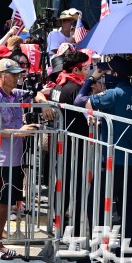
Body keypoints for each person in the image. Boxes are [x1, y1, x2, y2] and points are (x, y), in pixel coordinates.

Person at [0, 58, 53, 260]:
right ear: (1, 76)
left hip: (14, 159)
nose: (17, 77)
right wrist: (19, 132)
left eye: (18, 73)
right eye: (13, 74)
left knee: (6, 203)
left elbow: (36, 93)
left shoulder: (14, 94)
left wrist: (44, 102)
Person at [86, 56, 132, 254]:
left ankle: (100, 251)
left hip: (112, 160)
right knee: (126, 205)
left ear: (116, 74)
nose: (104, 76)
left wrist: (91, 80)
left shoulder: (114, 94)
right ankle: (127, 249)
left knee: (96, 204)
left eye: (106, 73)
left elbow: (83, 102)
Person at [48, 50, 90, 237]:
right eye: (86, 69)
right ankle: (74, 231)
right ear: (77, 69)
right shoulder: (74, 89)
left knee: (61, 186)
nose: (88, 72)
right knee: (76, 188)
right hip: (74, 145)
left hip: (62, 143)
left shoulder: (59, 85)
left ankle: (59, 226)